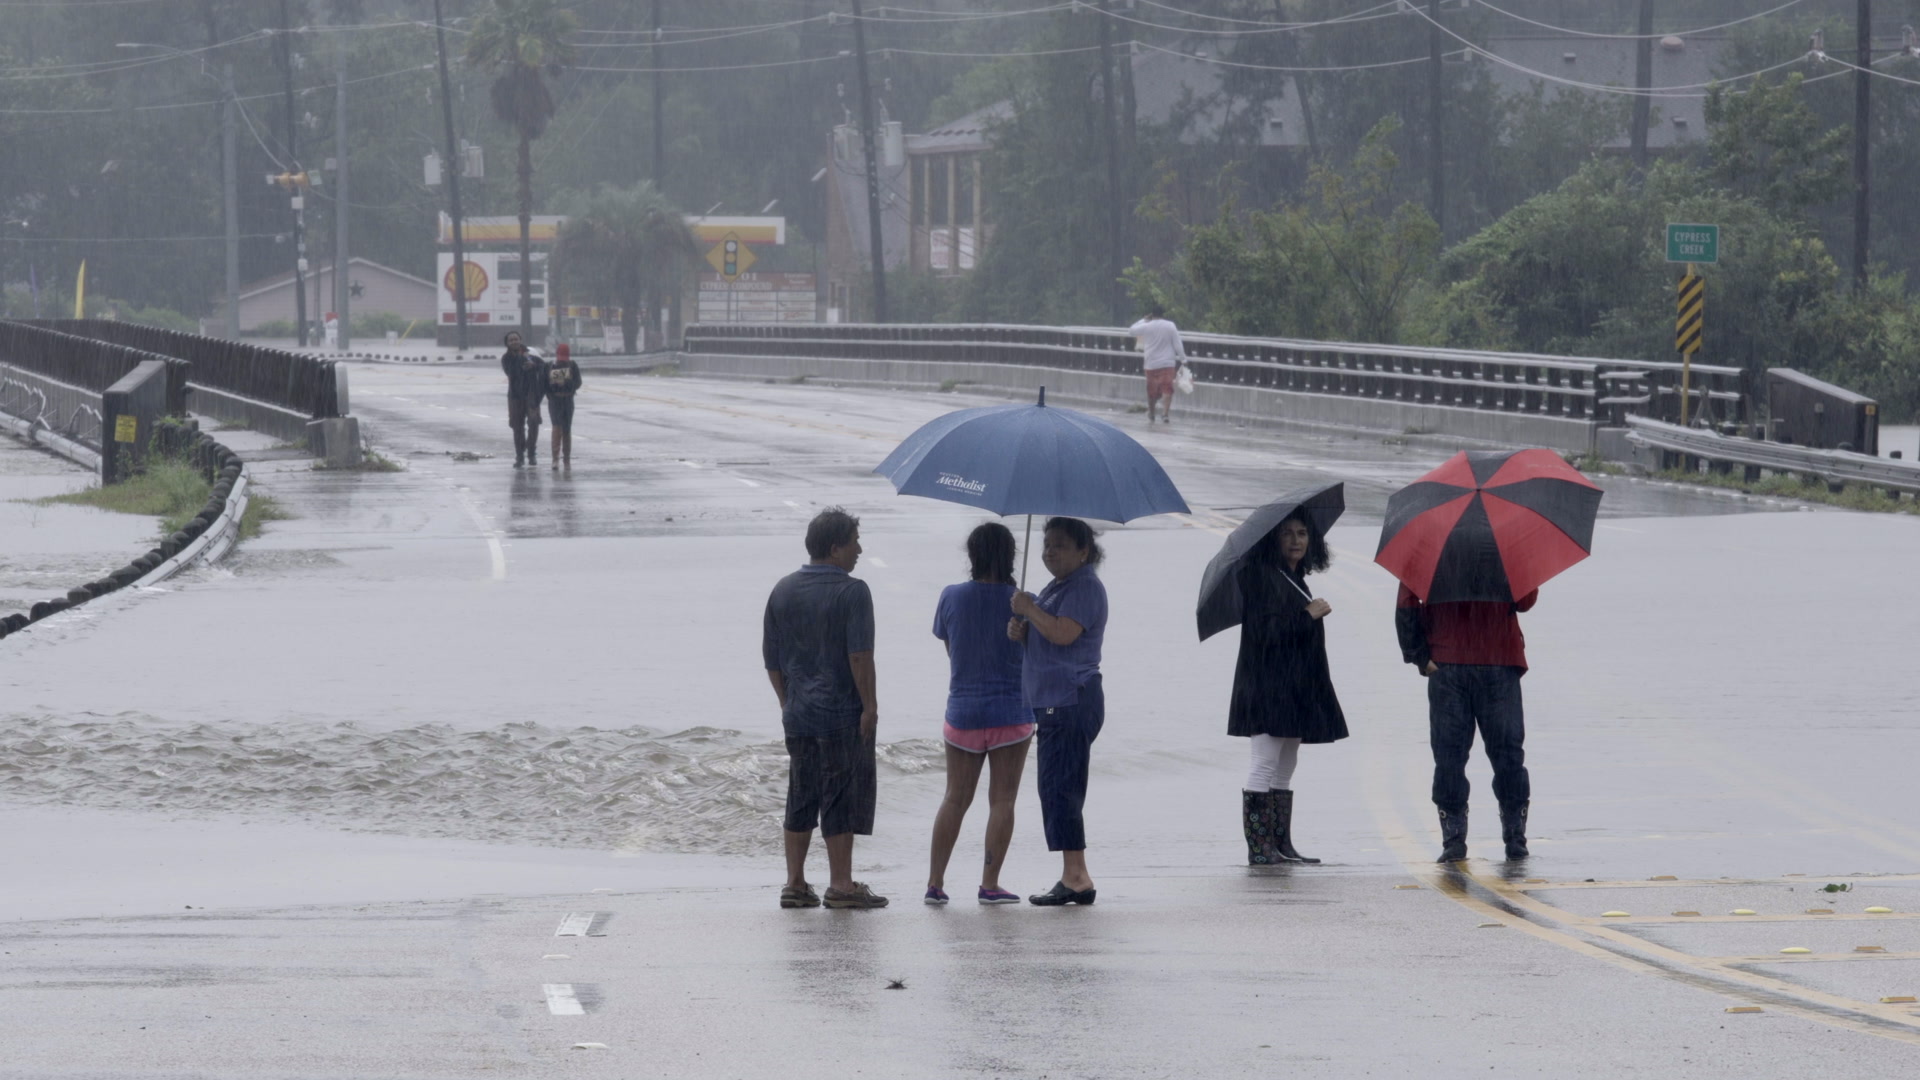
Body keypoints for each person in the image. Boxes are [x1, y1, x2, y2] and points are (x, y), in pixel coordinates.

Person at [762, 508, 887, 909]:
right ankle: (842, 885)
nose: (859, 550)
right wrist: (870, 706)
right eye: (854, 541)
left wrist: (789, 703)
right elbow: (860, 656)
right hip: (841, 713)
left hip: (798, 713)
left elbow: (773, 661)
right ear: (835, 547)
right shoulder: (852, 591)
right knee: (840, 797)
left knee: (800, 795)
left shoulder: (782, 589)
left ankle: (795, 884)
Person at [1228, 512, 1348, 865]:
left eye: (1302, 533)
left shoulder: (1294, 577)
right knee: (1264, 761)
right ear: (1272, 540)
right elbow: (1263, 634)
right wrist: (1306, 616)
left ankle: (1281, 845)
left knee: (1286, 763)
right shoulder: (1259, 577)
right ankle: (1259, 848)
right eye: (1287, 534)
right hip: (1266, 685)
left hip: (1294, 686)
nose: (1296, 540)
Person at [926, 523, 1033, 906]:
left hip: (963, 712)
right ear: (1010, 557)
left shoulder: (951, 597)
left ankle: (935, 884)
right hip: (1011, 713)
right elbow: (1035, 658)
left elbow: (952, 649)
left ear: (972, 556)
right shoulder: (1024, 602)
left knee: (955, 797)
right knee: (1002, 801)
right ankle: (990, 884)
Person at [1396, 582, 1540, 862]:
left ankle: (1455, 840)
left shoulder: (1429, 548)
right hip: (1493, 661)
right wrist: (1419, 656)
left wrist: (1419, 656)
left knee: (1452, 755)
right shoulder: (1505, 548)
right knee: (1506, 753)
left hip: (1452, 661)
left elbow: (1407, 604)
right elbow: (1525, 600)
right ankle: (1513, 837)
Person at [1008, 517, 1109, 906]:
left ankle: (1077, 877)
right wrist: (1023, 629)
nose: (1050, 551)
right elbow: (1046, 633)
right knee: (1055, 788)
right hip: (1054, 700)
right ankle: (1074, 874)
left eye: (1060, 545)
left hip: (1071, 698)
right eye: (1047, 544)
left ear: (1084, 551)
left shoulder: (1084, 586)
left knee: (1061, 788)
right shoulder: (1058, 586)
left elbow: (1064, 634)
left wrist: (1030, 610)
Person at [1127, 304, 1186, 426]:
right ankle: (1165, 414)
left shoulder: (1147, 326)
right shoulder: (1170, 326)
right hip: (1167, 363)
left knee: (1152, 391)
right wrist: (1183, 359)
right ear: (1163, 314)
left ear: (1152, 314)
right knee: (1167, 388)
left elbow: (1131, 330)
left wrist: (1143, 319)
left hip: (1151, 363)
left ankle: (1152, 413)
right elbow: (1177, 343)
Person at [499, 331, 548, 468]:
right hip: (515, 397)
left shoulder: (531, 354)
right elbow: (511, 372)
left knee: (534, 423)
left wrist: (534, 366)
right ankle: (519, 455)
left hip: (532, 395)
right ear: (507, 344)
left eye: (516, 339)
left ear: (520, 340)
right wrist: (522, 359)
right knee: (517, 427)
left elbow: (544, 367)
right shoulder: (506, 358)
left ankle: (531, 452)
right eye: (511, 340)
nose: (514, 342)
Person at [545, 342, 583, 471]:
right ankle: (555, 458)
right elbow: (545, 384)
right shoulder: (550, 366)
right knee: (556, 428)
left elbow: (578, 383)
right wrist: (554, 388)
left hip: (568, 400)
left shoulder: (573, 366)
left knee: (567, 429)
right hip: (555, 401)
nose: (562, 362)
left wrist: (567, 383)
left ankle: (566, 459)